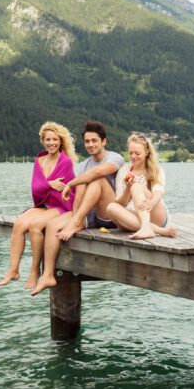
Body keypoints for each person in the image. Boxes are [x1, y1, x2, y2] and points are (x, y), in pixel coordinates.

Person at [30, 121, 124, 296]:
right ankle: (48, 275)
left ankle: (75, 220)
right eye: (87, 141)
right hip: (89, 214)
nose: (90, 145)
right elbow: (77, 192)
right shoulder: (82, 166)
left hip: (111, 213)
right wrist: (72, 213)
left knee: (94, 179)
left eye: (94, 141)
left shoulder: (115, 157)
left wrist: (71, 183)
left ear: (104, 141)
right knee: (52, 226)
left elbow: (97, 173)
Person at [0, 121, 77, 289]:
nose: (51, 143)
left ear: (61, 141)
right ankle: (13, 270)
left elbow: (61, 194)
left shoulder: (65, 162)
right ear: (43, 141)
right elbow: (36, 190)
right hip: (42, 204)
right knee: (19, 224)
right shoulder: (39, 160)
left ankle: (35, 271)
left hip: (60, 207)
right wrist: (49, 184)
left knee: (35, 226)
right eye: (48, 139)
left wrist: (46, 186)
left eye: (55, 139)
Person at [107, 134, 177, 239]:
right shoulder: (123, 171)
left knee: (136, 185)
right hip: (133, 215)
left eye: (137, 153)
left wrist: (151, 202)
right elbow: (121, 203)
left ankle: (146, 227)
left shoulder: (156, 170)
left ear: (147, 152)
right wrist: (128, 188)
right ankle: (158, 231)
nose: (133, 157)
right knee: (110, 207)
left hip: (154, 211)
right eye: (130, 153)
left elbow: (159, 192)